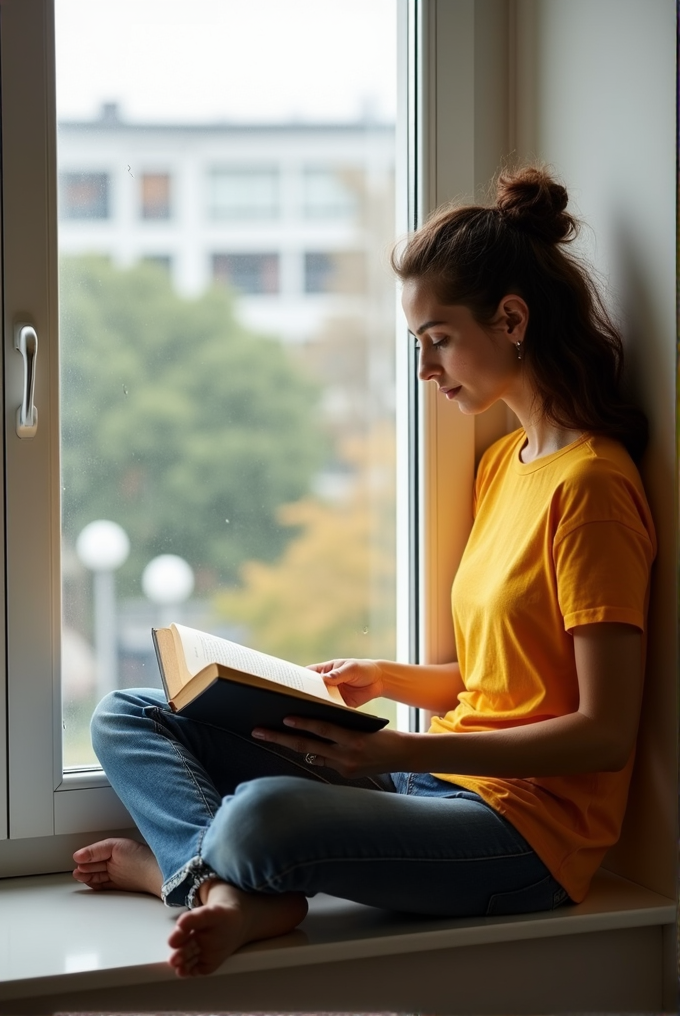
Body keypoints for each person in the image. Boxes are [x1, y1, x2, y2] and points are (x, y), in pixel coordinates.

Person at [72, 166, 656, 979]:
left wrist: (385, 755)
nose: (426, 369)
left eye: (438, 339)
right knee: (131, 713)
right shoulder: (503, 463)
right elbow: (503, 683)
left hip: (524, 838)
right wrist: (386, 678)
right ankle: (218, 891)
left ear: (512, 319)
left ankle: (190, 875)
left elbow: (603, 733)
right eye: (420, 345)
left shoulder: (592, 488)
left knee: (257, 819)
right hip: (432, 777)